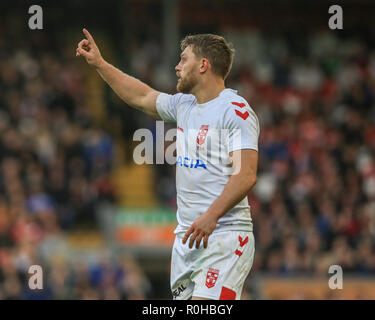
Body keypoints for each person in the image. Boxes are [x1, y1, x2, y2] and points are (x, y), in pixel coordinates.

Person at [76, 29, 260, 300]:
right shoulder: (184, 105)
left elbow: (245, 175)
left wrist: (211, 216)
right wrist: (101, 65)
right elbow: (141, 96)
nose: (177, 66)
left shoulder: (235, 110)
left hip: (225, 235)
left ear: (203, 65)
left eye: (183, 59)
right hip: (188, 239)